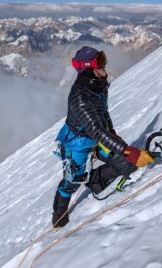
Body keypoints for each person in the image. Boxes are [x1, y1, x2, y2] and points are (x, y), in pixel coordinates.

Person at [52, 46, 155, 228]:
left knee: (125, 163)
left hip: (98, 137)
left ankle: (95, 182)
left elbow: (104, 114)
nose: (104, 65)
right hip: (77, 143)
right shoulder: (80, 98)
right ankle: (59, 215)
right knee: (72, 182)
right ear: (87, 68)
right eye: (99, 62)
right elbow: (96, 130)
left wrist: (116, 139)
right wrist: (127, 149)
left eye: (103, 59)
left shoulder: (99, 86)